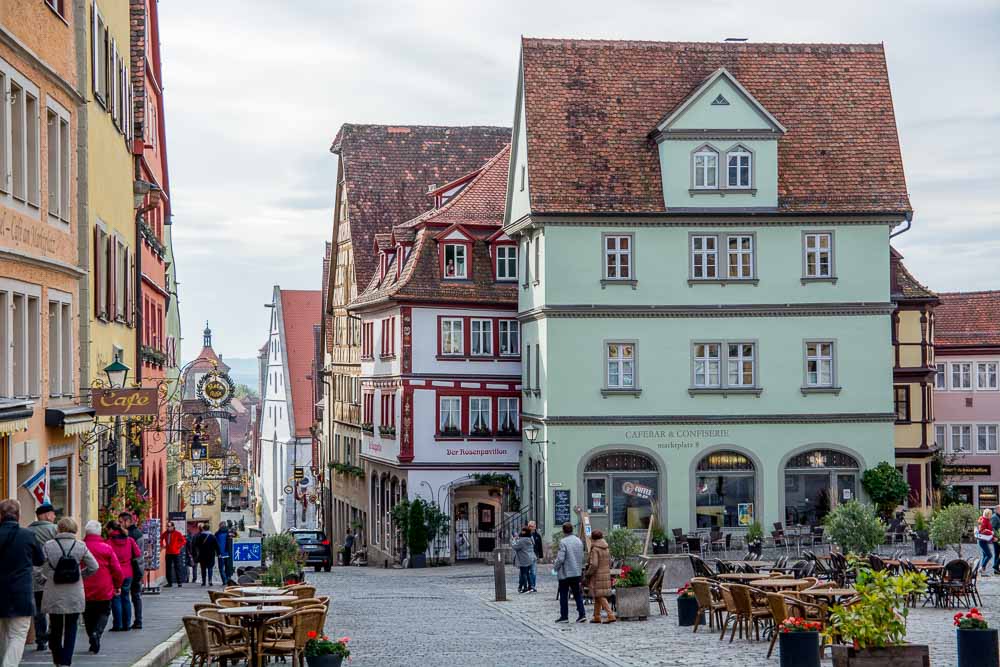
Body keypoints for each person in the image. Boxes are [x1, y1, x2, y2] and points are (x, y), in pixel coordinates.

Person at [40, 516, 99, 667]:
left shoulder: (48, 545)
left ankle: (57, 659)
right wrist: (81, 576)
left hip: (54, 590)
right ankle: (66, 661)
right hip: (74, 591)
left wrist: (43, 579)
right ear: (75, 529)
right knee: (71, 627)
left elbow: (37, 567)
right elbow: (94, 566)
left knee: (55, 626)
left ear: (58, 529)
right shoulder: (80, 545)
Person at [0, 499, 45, 666]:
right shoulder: (28, 535)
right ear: (18, 516)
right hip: (21, 592)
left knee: (3, 636)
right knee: (18, 634)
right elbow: (40, 560)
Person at [82, 520, 123, 654]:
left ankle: (91, 635)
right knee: (104, 612)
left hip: (84, 586)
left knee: (87, 615)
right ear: (99, 532)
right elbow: (116, 570)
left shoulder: (81, 547)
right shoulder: (106, 548)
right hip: (103, 587)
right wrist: (118, 585)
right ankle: (96, 633)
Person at [27, 501, 58, 651]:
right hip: (51, 574)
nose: (54, 516)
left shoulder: (28, 531)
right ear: (45, 515)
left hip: (33, 575)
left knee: (38, 609)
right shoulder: (55, 530)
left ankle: (40, 639)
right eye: (52, 513)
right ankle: (53, 635)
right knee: (53, 607)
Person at [106, 520, 140, 631]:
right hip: (128, 572)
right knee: (126, 597)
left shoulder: (109, 542)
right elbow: (138, 553)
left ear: (111, 529)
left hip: (115, 573)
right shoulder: (129, 540)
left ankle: (118, 624)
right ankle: (127, 624)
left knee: (116, 598)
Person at [552, 522, 586, 624]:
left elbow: (561, 558)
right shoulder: (579, 541)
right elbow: (582, 556)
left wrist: (555, 568)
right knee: (577, 594)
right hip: (576, 572)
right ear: (572, 530)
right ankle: (582, 614)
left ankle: (564, 616)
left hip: (565, 573)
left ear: (563, 530)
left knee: (563, 594)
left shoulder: (563, 542)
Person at [584, 529, 616, 623]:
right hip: (605, 573)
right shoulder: (606, 548)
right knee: (598, 595)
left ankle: (610, 615)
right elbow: (609, 562)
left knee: (600, 596)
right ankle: (596, 616)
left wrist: (588, 572)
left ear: (593, 539)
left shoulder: (595, 549)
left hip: (597, 575)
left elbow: (594, 564)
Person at [120, 512, 144, 629]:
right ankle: (138, 620)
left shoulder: (130, 534)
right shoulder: (138, 533)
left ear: (127, 521)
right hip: (138, 567)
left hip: (131, 567)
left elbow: (135, 553)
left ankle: (127, 621)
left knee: (126, 595)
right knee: (136, 595)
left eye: (121, 522)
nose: (120, 525)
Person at [160, 522, 186, 587]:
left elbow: (183, 541)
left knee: (177, 567)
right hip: (168, 553)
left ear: (173, 527)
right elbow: (160, 538)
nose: (168, 527)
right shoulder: (165, 533)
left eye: (169, 526)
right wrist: (162, 545)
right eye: (167, 526)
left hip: (176, 553)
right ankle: (169, 582)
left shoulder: (177, 533)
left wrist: (178, 546)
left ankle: (179, 582)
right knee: (168, 568)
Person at [512, 526, 537, 593]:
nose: (521, 532)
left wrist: (514, 539)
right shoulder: (530, 539)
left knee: (524, 573)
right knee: (528, 573)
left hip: (524, 559)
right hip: (530, 558)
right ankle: (530, 587)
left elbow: (515, 547)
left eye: (523, 531)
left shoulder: (522, 540)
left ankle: (525, 588)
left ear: (525, 532)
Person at [977, 509, 995, 575]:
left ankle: (982, 571)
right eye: (991, 513)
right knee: (989, 555)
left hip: (983, 540)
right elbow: (982, 531)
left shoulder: (985, 520)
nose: (991, 515)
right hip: (982, 541)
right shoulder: (984, 520)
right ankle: (981, 568)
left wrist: (992, 538)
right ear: (988, 514)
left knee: (985, 555)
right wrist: (990, 532)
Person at [527, 520, 543, 592]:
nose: (531, 527)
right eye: (529, 526)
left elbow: (540, 546)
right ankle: (527, 586)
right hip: (526, 556)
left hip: (534, 555)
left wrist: (541, 556)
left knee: (533, 571)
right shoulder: (525, 534)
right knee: (526, 572)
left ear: (535, 527)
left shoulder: (537, 535)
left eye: (532, 526)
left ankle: (532, 586)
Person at [991, 505, 1000, 575]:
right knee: (997, 553)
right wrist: (995, 536)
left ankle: (996, 568)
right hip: (996, 538)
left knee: (997, 554)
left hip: (998, 538)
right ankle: (995, 567)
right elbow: (992, 528)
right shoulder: (994, 517)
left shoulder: (998, 516)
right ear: (996, 510)